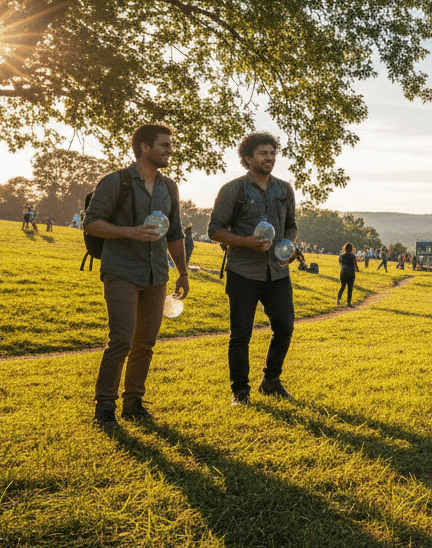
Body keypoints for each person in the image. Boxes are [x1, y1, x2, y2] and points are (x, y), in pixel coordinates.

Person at [82, 124, 188, 429]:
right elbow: (91, 223)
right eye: (165, 145)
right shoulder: (116, 182)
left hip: (157, 275)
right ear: (144, 147)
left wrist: (182, 272)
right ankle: (104, 408)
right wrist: (129, 231)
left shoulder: (169, 187)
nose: (170, 150)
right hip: (121, 271)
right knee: (122, 340)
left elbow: (176, 232)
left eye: (171, 145)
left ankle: (133, 404)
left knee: (145, 343)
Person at [208, 131, 300, 406]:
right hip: (242, 271)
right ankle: (240, 391)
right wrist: (247, 242)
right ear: (248, 158)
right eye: (263, 153)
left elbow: (292, 226)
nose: (269, 158)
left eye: (272, 153)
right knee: (241, 335)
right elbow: (214, 230)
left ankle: (271, 381)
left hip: (278, 272)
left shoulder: (284, 189)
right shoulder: (233, 190)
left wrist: (288, 244)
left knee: (284, 327)